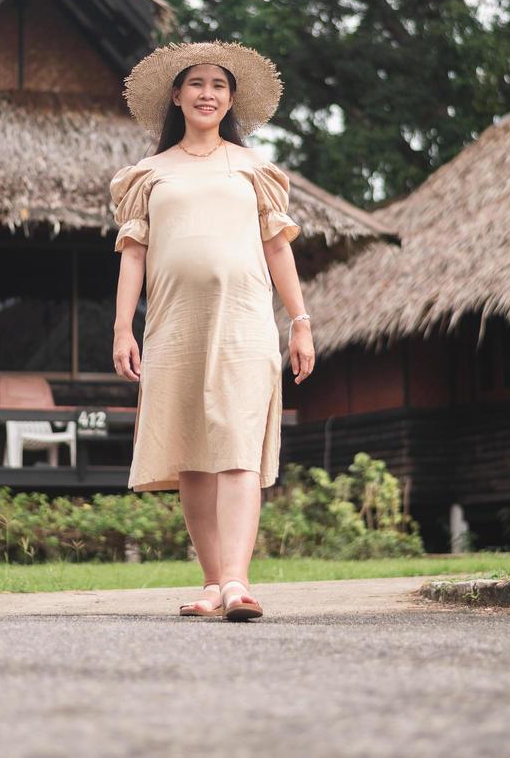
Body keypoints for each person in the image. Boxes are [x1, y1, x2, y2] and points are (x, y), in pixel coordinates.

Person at [109, 41, 315, 622]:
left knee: (237, 447)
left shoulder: (253, 170)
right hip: (173, 327)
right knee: (193, 457)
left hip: (246, 324)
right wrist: (124, 328)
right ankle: (210, 582)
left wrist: (300, 324)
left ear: (231, 99)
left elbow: (279, 248)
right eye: (196, 83)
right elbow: (132, 255)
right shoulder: (148, 175)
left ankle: (236, 582)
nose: (207, 94)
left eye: (219, 86)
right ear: (177, 95)